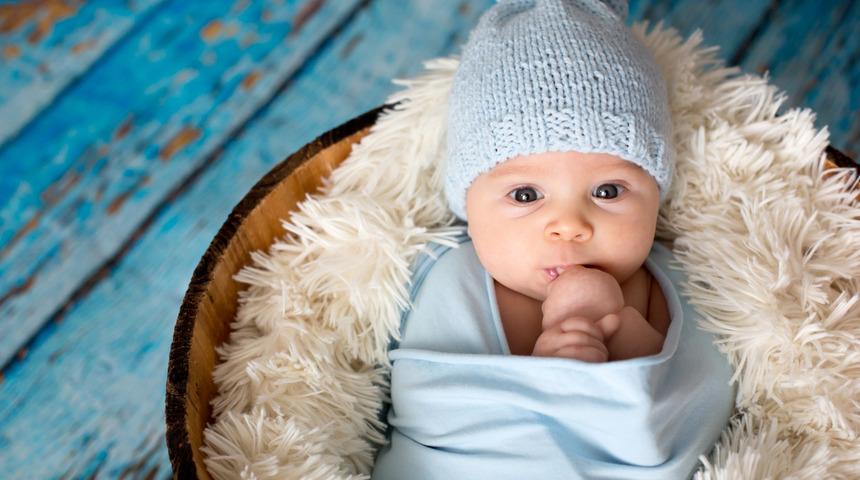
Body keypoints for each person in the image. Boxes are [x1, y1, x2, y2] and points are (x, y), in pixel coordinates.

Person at [372, 1, 736, 478]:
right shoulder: (429, 271)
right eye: (526, 194)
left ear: (656, 194)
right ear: (469, 203)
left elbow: (710, 410)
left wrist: (618, 352)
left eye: (608, 191)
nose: (569, 225)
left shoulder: (698, 284)